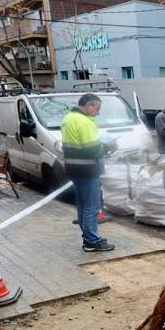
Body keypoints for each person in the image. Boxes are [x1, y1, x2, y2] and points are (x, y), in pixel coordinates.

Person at [62, 93, 117, 252]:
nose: (97, 113)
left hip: (74, 168)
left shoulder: (68, 118)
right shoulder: (85, 122)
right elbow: (92, 148)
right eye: (97, 108)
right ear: (89, 105)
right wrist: (108, 147)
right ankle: (92, 241)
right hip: (88, 169)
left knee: (82, 206)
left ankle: (88, 237)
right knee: (91, 207)